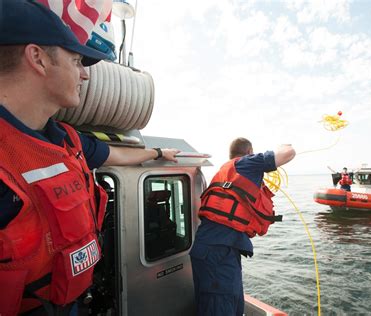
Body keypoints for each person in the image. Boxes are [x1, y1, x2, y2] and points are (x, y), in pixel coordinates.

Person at [0, 1, 180, 315]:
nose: (85, 75)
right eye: (77, 61)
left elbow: (115, 154)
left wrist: (159, 154)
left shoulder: (66, 140)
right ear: (38, 59)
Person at [189, 138, 295, 315]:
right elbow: (288, 153)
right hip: (217, 253)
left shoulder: (228, 169)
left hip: (221, 250)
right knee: (219, 307)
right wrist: (285, 145)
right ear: (250, 152)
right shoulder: (246, 163)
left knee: (233, 305)